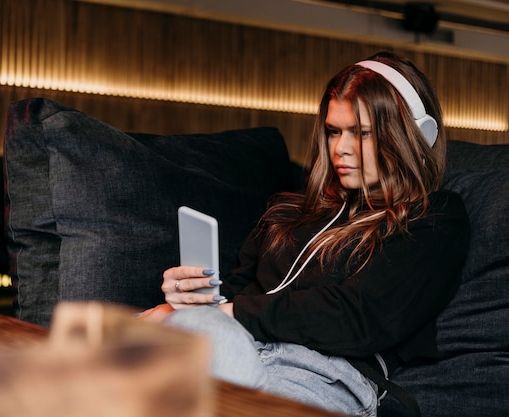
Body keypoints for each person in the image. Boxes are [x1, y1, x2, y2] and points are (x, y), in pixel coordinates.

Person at [139, 52, 470, 417]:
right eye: (333, 131)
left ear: (413, 135)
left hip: (321, 372)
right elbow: (239, 288)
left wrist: (230, 314)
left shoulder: (433, 217)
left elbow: (360, 317)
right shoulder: (288, 211)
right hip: (236, 343)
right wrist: (189, 298)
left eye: (361, 133)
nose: (341, 148)